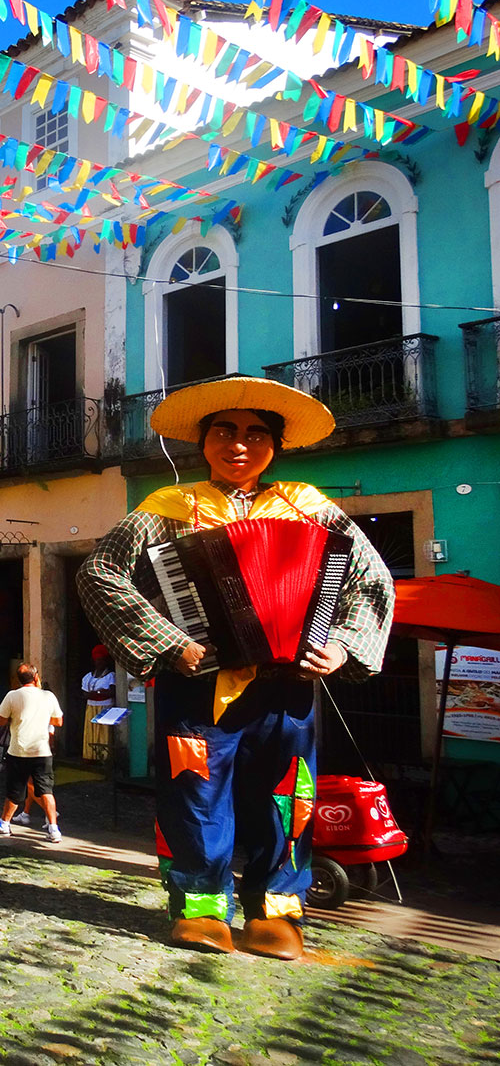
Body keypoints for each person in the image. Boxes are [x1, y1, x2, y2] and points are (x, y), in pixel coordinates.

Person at [77, 376, 394, 960]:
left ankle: (277, 908)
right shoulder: (167, 510)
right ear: (203, 442)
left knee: (286, 795)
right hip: (197, 686)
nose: (239, 444)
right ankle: (200, 907)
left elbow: (371, 579)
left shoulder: (309, 507)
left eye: (255, 433)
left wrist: (343, 645)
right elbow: (100, 573)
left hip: (288, 687)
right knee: (194, 796)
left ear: (275, 445)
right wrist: (171, 642)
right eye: (225, 431)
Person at [0, 664, 63, 842]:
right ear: (36, 677)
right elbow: (58, 721)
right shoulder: (48, 696)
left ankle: (4, 823)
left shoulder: (12, 696)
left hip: (19, 750)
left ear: (18, 679)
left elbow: (1, 721)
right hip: (42, 751)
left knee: (14, 790)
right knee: (46, 790)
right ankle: (54, 828)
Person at [81, 645, 117, 762]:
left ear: (106, 661)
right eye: (97, 660)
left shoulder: (110, 676)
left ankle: (104, 757)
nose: (99, 663)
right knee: (91, 730)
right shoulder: (88, 677)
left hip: (105, 707)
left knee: (103, 732)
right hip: (91, 707)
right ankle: (90, 756)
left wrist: (97, 693)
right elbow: (84, 694)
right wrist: (100, 692)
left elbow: (111, 692)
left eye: (101, 660)